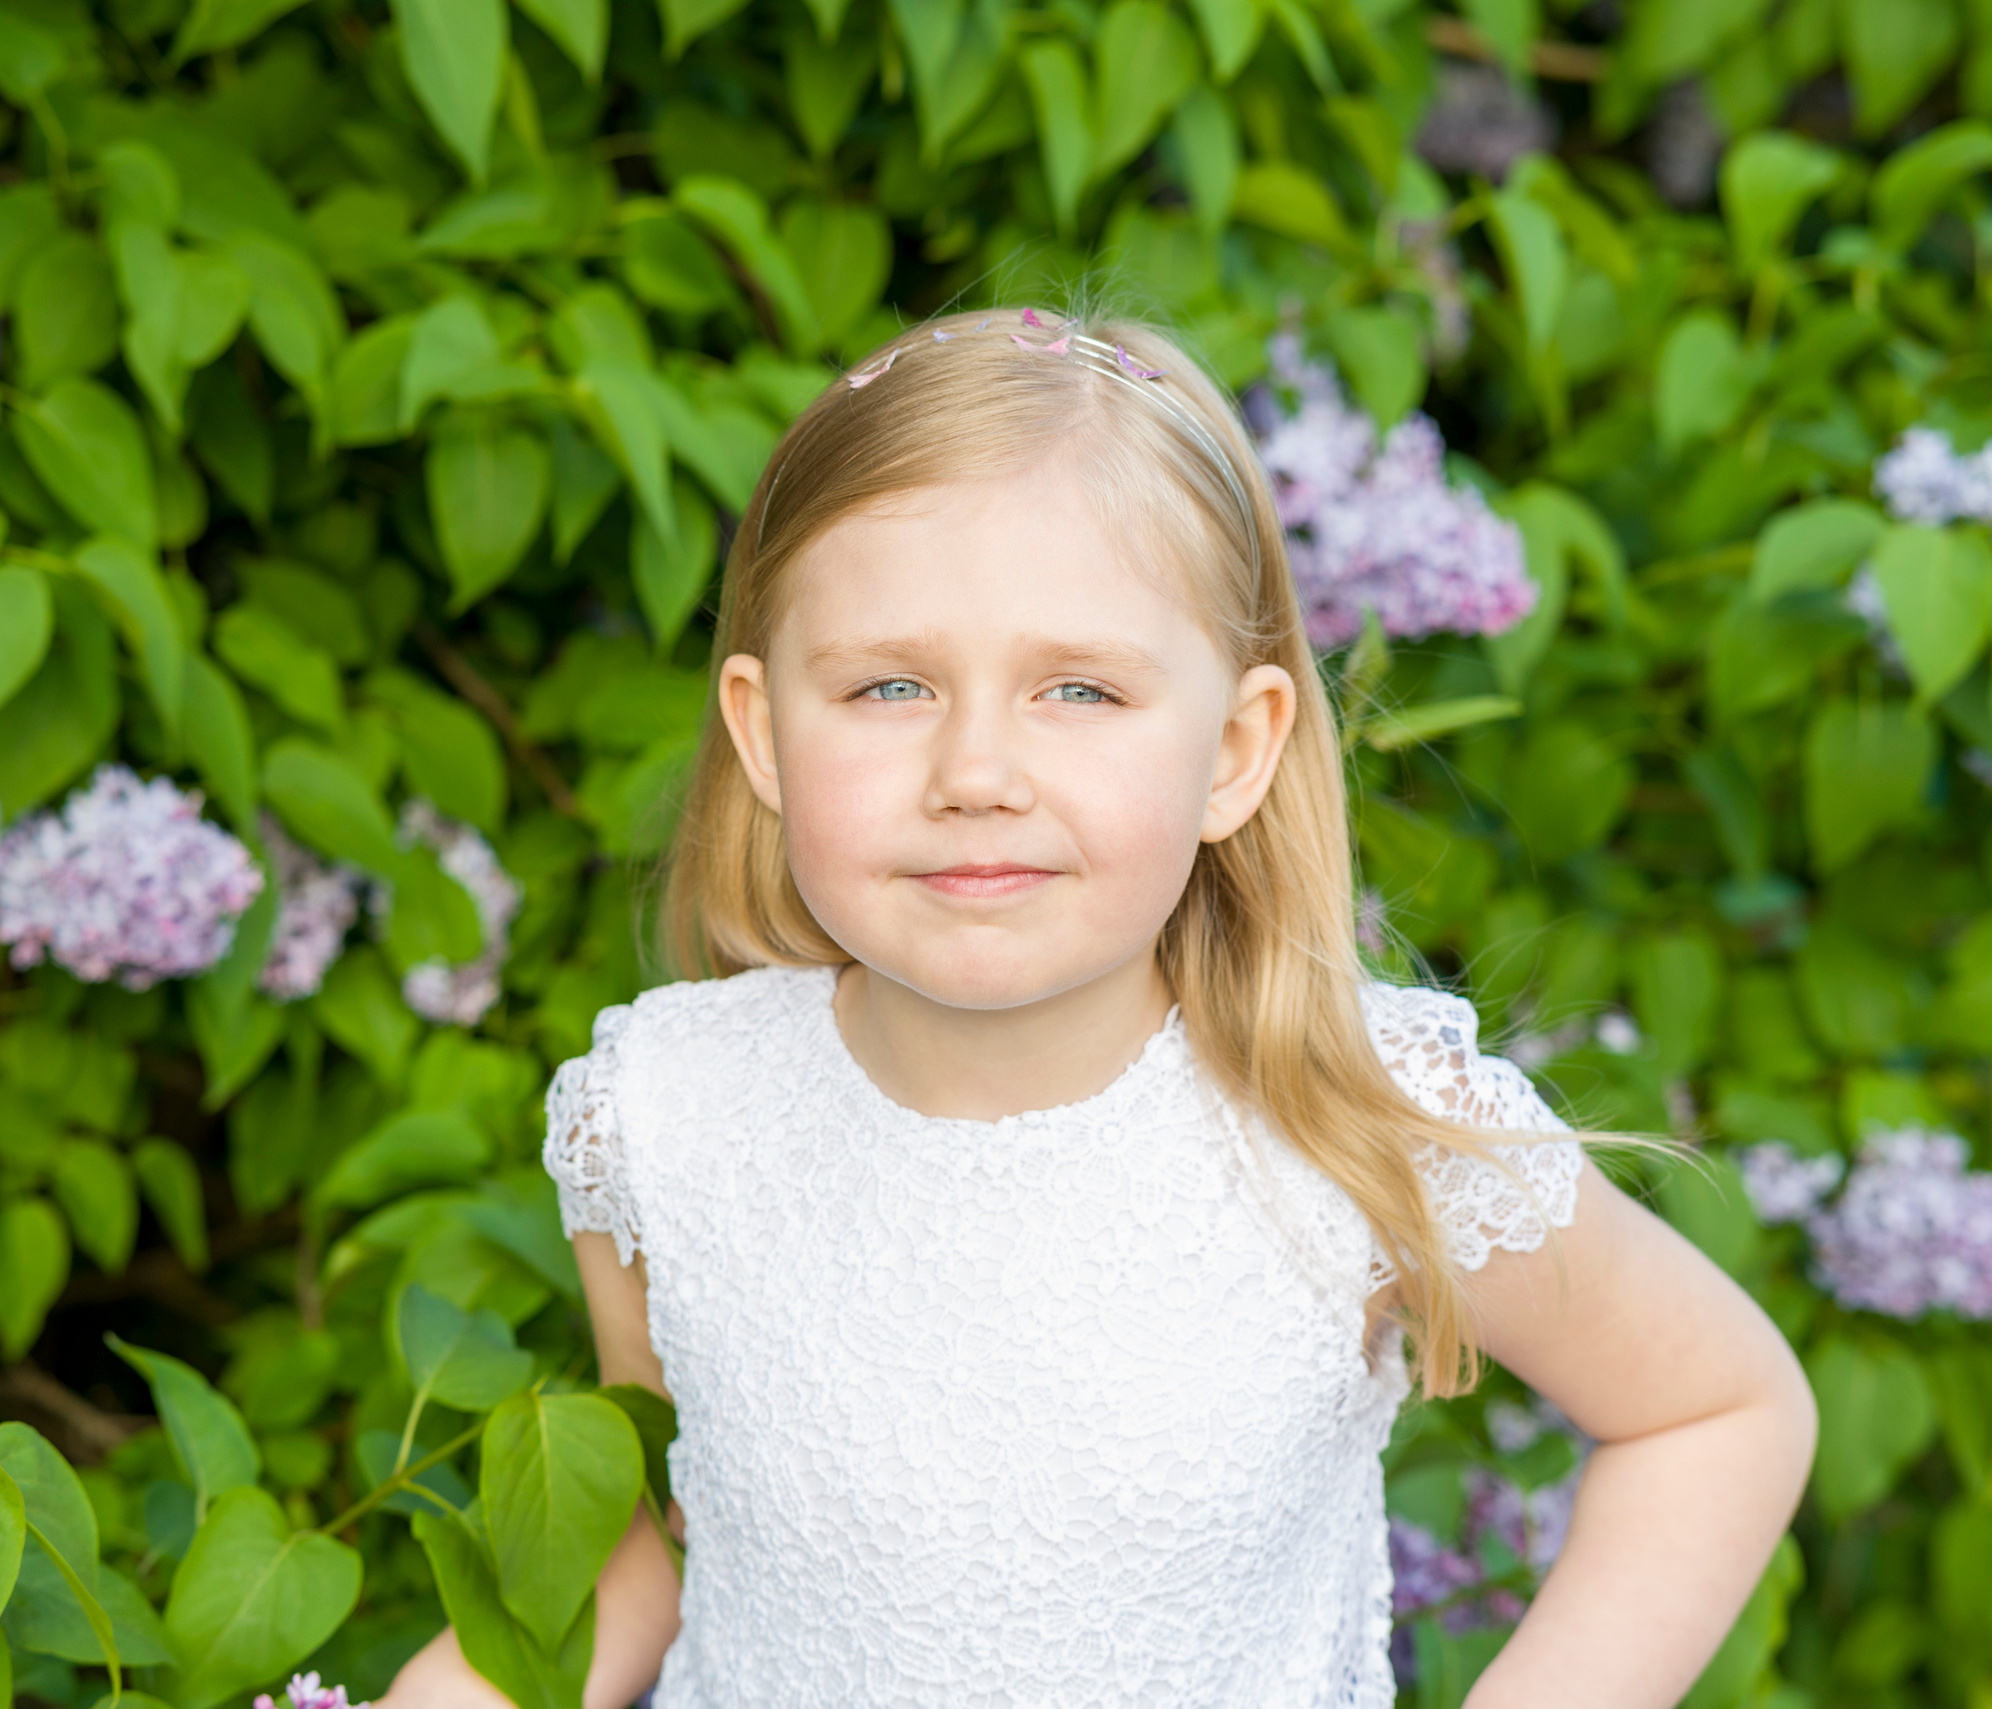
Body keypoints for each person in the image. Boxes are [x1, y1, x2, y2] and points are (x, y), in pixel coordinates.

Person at [381, 311, 1816, 1707]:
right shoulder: (663, 1113)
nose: (977, 769)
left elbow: (1718, 1413)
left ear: (1235, 750)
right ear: (761, 729)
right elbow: (668, 1530)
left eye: (1078, 687)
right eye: (890, 684)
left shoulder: (1358, 1117)